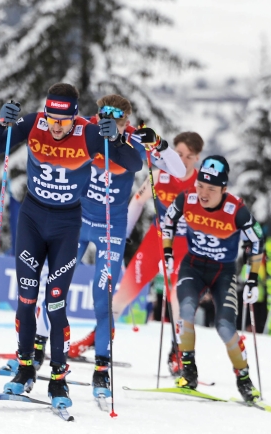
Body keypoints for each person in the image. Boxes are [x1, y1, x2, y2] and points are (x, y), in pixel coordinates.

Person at [0, 83, 142, 408]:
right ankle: (25, 369)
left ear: (75, 117)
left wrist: (116, 138)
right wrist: (1, 124)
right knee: (26, 299)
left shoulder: (88, 133)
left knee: (55, 303)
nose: (56, 126)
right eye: (52, 118)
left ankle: (58, 380)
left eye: (63, 121)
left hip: (67, 225)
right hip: (33, 220)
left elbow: (134, 163)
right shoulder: (36, 123)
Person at [31, 94, 184, 398]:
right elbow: (48, 134)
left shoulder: (133, 141)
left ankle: (101, 369)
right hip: (74, 221)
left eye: (116, 123)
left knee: (102, 299)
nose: (108, 127)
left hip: (111, 229)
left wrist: (161, 144)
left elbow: (178, 172)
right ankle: (36, 350)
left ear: (127, 123)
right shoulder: (85, 128)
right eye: (105, 120)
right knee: (54, 286)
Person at [160, 155, 264, 402]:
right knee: (185, 312)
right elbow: (168, 221)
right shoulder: (187, 198)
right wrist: (167, 252)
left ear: (224, 189)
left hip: (223, 272)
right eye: (200, 186)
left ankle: (244, 379)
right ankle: (188, 370)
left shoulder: (237, 210)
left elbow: (257, 240)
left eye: (211, 189)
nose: (204, 193)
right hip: (193, 267)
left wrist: (252, 279)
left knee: (226, 327)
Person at [104, 131, 203, 374]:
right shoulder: (158, 176)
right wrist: (123, 235)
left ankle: (179, 353)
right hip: (156, 240)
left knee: (179, 299)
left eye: (190, 156)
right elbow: (137, 201)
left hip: (183, 246)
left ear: (197, 158)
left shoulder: (202, 184)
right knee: (123, 294)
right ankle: (97, 342)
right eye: (179, 154)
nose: (184, 160)